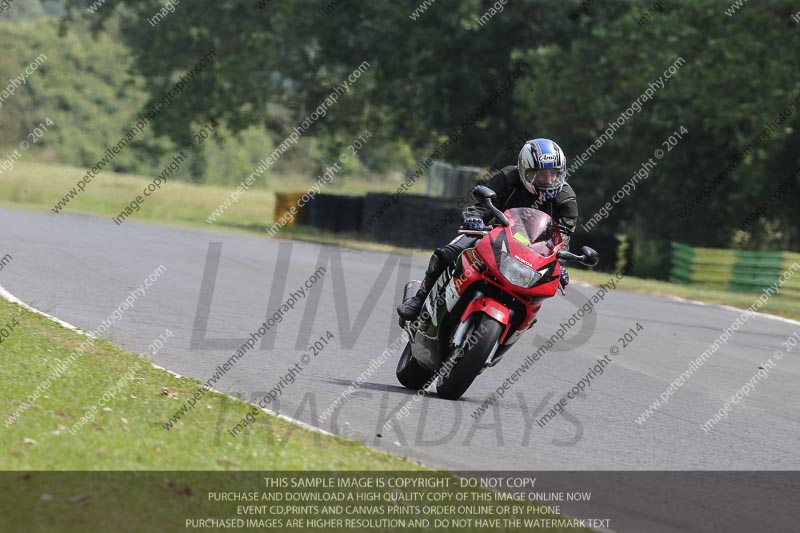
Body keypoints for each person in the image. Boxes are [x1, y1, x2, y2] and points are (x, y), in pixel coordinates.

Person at [397, 138, 579, 321]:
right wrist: (474, 219)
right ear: (525, 171)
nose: (548, 180)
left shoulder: (566, 199)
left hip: (531, 254)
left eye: (554, 173)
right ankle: (420, 297)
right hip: (492, 235)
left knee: (538, 293)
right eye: (541, 174)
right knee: (448, 254)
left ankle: (519, 321)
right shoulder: (508, 178)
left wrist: (559, 266)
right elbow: (483, 206)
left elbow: (562, 239)